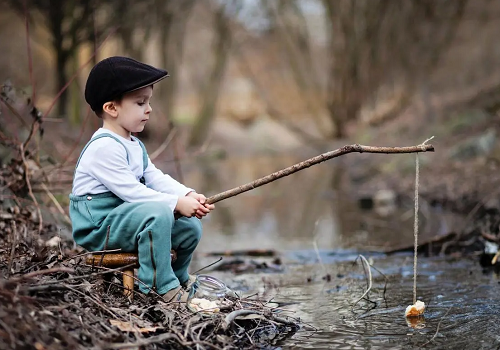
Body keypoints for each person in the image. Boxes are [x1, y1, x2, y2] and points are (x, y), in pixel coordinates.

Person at [69, 56, 214, 303]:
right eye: (140, 103)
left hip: (125, 218)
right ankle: (159, 286)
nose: (149, 109)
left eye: (148, 102)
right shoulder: (104, 147)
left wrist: (187, 195)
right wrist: (175, 203)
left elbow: (154, 177)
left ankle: (178, 279)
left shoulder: (134, 144)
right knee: (158, 213)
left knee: (189, 227)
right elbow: (133, 192)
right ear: (111, 108)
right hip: (99, 227)